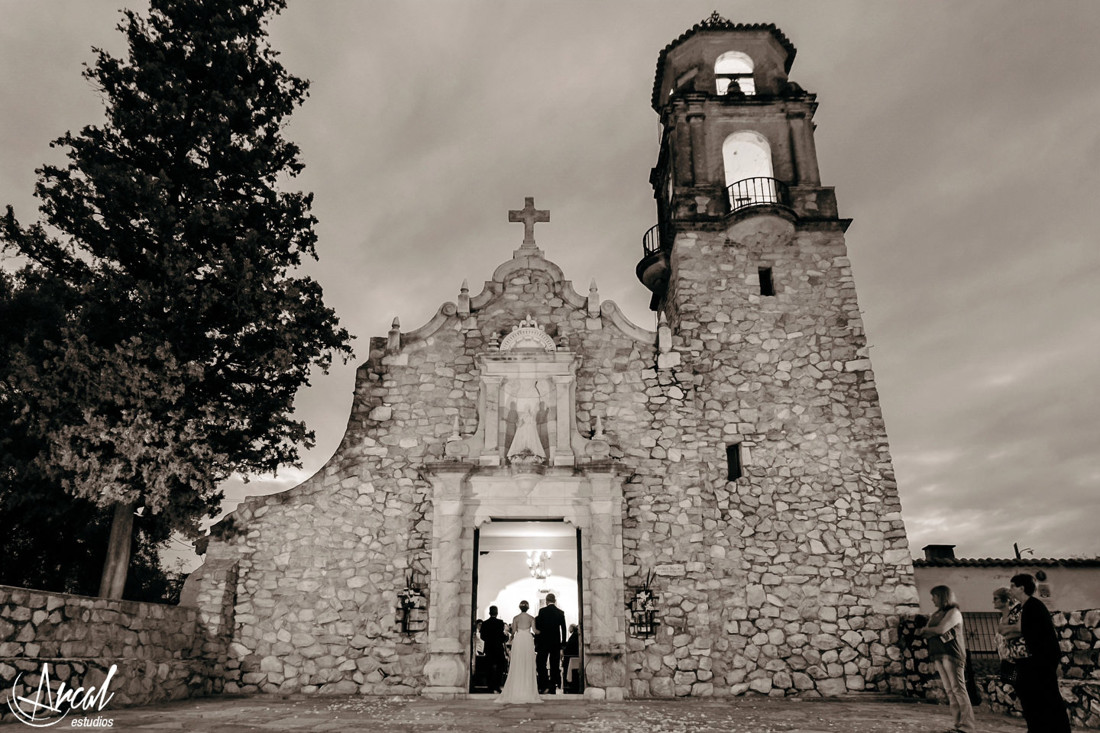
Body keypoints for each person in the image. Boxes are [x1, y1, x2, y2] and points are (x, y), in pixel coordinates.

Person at [1009, 573, 1072, 732]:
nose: (1010, 590)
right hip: (1029, 661)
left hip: (1040, 661)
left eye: (1012, 586)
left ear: (1021, 588)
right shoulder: (1025, 607)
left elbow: (1025, 632)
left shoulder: (1033, 606)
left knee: (1048, 697)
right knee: (1032, 697)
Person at [917, 585, 976, 733]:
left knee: (958, 689)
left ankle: (968, 726)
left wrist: (928, 630)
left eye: (935, 596)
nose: (932, 599)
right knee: (950, 690)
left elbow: (940, 630)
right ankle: (957, 724)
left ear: (942, 596)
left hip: (951, 654)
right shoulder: (937, 614)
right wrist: (929, 631)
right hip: (938, 654)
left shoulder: (953, 613)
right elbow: (926, 632)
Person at [495, 600, 541, 704]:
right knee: (528, 663)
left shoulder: (516, 618)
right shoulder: (531, 618)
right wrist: (543, 631)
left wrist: (509, 636)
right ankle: (527, 690)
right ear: (528, 608)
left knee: (517, 663)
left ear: (519, 607)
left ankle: (516, 689)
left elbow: (513, 632)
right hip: (528, 640)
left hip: (519, 639)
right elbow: (535, 631)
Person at [993, 586, 1027, 688]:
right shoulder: (1003, 617)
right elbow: (1002, 631)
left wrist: (1005, 633)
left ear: (1006, 600)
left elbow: (1021, 631)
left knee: (1020, 686)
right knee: (1010, 684)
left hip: (1017, 657)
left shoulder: (1016, 614)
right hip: (1007, 658)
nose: (993, 602)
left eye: (996, 598)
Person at [535, 593, 567, 694]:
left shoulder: (542, 611)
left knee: (541, 663)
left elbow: (538, 626)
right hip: (555, 643)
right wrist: (563, 644)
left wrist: (537, 641)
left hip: (543, 642)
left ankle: (544, 684)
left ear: (546, 601)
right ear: (555, 600)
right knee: (554, 665)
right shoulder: (560, 612)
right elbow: (564, 629)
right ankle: (552, 687)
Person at [480, 606, 508, 693]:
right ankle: (497, 686)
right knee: (500, 667)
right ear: (497, 613)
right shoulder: (500, 622)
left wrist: (489, 640)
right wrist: (504, 638)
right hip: (498, 648)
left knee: (489, 668)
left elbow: (482, 636)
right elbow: (501, 635)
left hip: (488, 648)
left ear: (489, 613)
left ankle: (490, 686)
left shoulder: (485, 623)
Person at [562, 623, 580, 693]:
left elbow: (570, 646)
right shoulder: (574, 635)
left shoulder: (574, 636)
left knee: (568, 671)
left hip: (570, 656)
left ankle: (569, 687)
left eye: (569, 628)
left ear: (572, 628)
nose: (569, 629)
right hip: (570, 655)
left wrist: (564, 650)